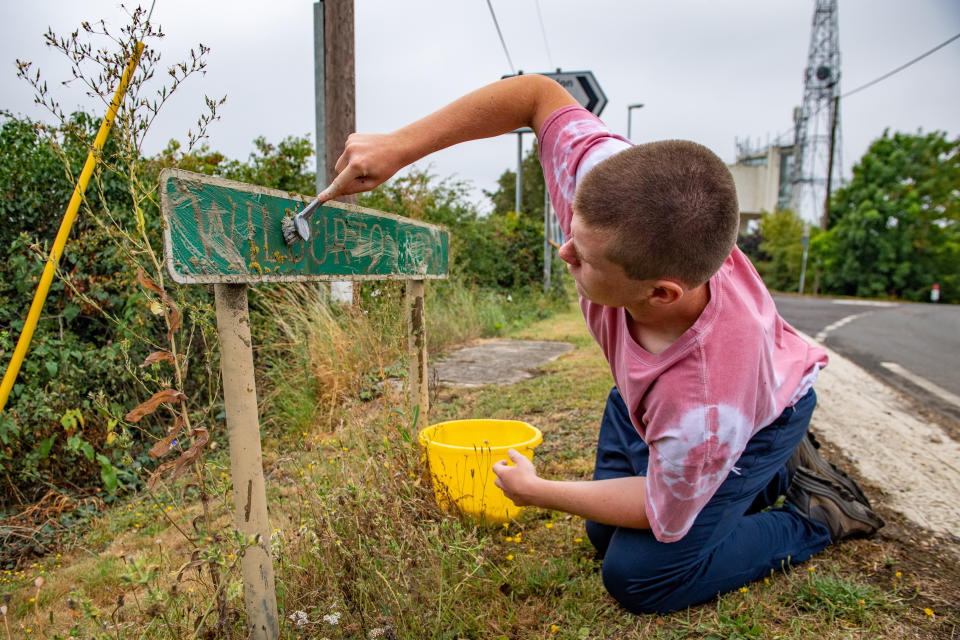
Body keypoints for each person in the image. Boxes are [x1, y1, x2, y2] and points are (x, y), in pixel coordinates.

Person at [317, 74, 883, 614]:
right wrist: (399, 146)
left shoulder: (702, 406)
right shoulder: (611, 199)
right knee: (600, 532)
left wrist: (538, 491)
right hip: (665, 403)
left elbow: (661, 512)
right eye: (573, 233)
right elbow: (536, 96)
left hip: (760, 409)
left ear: (661, 292)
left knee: (638, 575)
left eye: (584, 259)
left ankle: (816, 513)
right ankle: (747, 481)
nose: (565, 253)